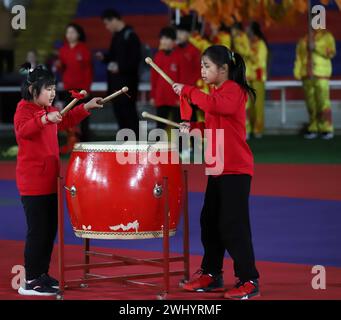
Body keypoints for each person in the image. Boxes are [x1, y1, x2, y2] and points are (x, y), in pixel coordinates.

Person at [172, 45, 260, 300]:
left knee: (234, 225)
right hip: (218, 168)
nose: (203, 70)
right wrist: (194, 127)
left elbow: (218, 107)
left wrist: (188, 91)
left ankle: (249, 279)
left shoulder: (233, 90)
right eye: (202, 66)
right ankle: (211, 273)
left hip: (235, 169)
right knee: (209, 221)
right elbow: (214, 124)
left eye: (207, 66)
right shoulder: (216, 93)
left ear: (224, 69)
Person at [14, 65, 103, 296]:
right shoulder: (24, 109)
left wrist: (86, 107)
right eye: (48, 89)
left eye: (54, 88)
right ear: (33, 89)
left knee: (49, 229)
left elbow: (63, 121)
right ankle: (30, 279)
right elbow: (24, 130)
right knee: (38, 230)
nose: (53, 93)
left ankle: (41, 274)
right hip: (32, 183)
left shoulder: (48, 109)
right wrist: (45, 119)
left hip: (51, 180)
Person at [97, 9, 141, 136]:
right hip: (115, 85)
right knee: (120, 115)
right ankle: (125, 144)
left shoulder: (130, 36)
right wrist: (104, 58)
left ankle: (137, 143)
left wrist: (120, 68)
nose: (107, 27)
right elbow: (113, 56)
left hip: (128, 85)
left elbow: (135, 61)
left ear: (114, 19)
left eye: (107, 23)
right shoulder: (116, 36)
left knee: (129, 114)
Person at [294, 29, 336, 140]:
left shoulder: (327, 36)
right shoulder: (304, 39)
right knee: (311, 103)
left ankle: (326, 128)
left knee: (323, 102)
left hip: (321, 74)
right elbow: (299, 57)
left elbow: (331, 52)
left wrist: (316, 47)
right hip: (307, 75)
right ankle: (313, 127)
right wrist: (297, 72)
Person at [57, 23, 93, 151]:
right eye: (68, 32)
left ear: (78, 34)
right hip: (69, 88)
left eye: (72, 32)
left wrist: (87, 88)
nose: (70, 35)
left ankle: (85, 144)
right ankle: (71, 142)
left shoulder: (84, 49)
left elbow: (88, 70)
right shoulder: (63, 49)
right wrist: (58, 65)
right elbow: (61, 68)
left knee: (83, 115)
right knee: (68, 116)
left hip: (82, 89)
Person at [150, 27, 182, 132]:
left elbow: (183, 78)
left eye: (167, 38)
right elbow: (153, 78)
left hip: (176, 98)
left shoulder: (180, 56)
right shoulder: (158, 56)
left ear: (173, 41)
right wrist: (153, 96)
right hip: (161, 97)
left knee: (178, 126)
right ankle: (158, 147)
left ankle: (182, 148)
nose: (163, 41)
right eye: (162, 39)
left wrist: (181, 97)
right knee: (160, 126)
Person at [246, 21, 268, 138]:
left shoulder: (261, 44)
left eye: (248, 28)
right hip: (248, 77)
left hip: (258, 78)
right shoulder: (247, 43)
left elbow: (260, 62)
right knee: (248, 105)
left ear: (253, 31)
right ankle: (249, 127)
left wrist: (248, 54)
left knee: (258, 105)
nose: (246, 30)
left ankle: (258, 130)